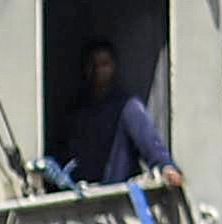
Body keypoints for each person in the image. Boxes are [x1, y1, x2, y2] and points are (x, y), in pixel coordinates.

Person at [69, 35, 180, 193]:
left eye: (104, 64)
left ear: (113, 67)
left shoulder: (128, 108)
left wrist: (166, 168)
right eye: (92, 64)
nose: (98, 70)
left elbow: (151, 144)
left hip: (118, 203)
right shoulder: (78, 114)